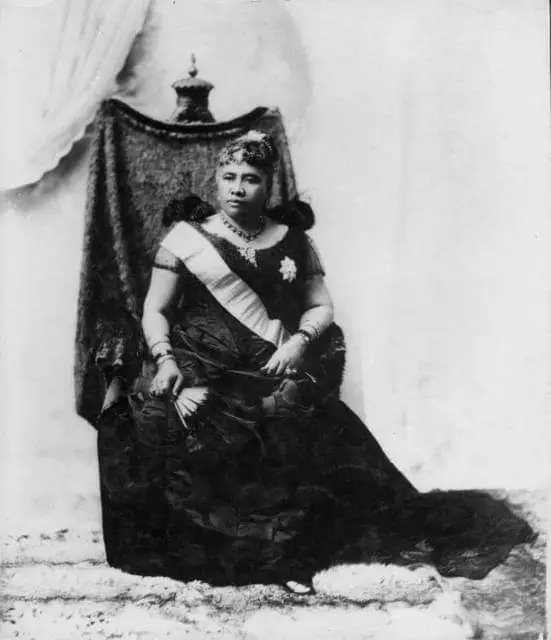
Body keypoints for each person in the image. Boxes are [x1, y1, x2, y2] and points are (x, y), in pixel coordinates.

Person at [96, 130, 532, 590]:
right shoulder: (186, 239)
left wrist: (299, 343)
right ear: (216, 179)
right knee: (166, 440)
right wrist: (165, 360)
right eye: (229, 177)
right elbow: (155, 309)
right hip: (203, 369)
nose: (237, 188)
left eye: (250, 178)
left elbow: (321, 305)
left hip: (272, 368)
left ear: (269, 185)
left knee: (339, 459)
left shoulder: (292, 240)